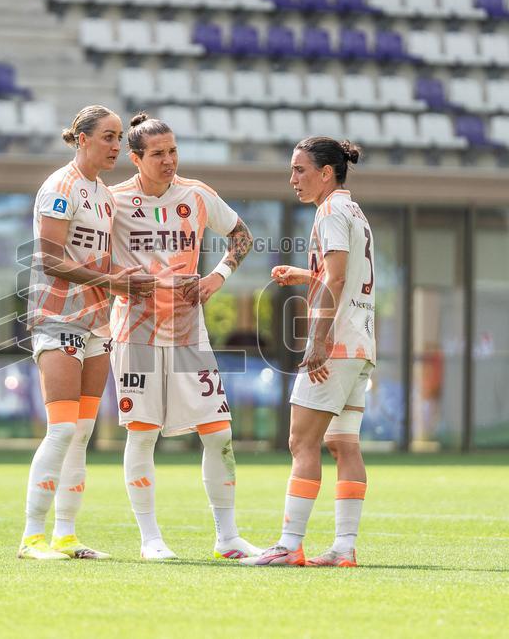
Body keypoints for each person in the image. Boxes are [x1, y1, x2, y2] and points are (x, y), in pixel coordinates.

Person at [109, 112, 261, 560]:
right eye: (158, 154)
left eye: (173, 151)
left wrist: (218, 275)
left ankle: (228, 537)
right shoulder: (112, 201)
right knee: (142, 435)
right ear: (136, 158)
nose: (169, 160)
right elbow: (89, 262)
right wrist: (123, 282)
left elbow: (242, 235)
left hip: (188, 335)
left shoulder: (196, 196)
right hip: (134, 333)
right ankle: (150, 539)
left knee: (219, 433)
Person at [18, 105, 156, 560]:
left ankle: (65, 535)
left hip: (97, 320)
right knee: (60, 430)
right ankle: (32, 537)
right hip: (57, 316)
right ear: (81, 139)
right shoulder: (60, 187)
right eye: (108, 137)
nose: (116, 145)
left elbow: (95, 260)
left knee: (81, 431)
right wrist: (117, 282)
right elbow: (51, 259)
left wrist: (128, 278)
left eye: (119, 138)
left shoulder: (101, 193)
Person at [242, 137, 373, 567]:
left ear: (326, 173)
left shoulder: (331, 211)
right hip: (361, 343)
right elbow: (345, 276)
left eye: (300, 169)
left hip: (335, 343)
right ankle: (343, 547)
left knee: (302, 440)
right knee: (343, 444)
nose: (293, 178)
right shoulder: (354, 211)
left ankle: (289, 544)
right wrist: (305, 274)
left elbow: (336, 281)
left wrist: (317, 340)